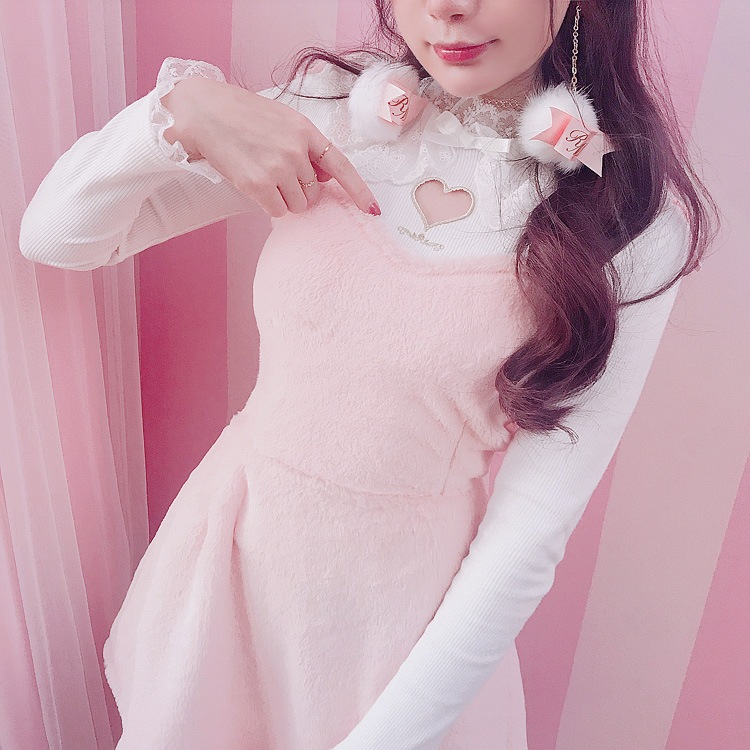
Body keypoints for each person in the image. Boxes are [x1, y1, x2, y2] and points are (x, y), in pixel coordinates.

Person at [18, 1, 717, 748]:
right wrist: (181, 110)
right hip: (225, 578)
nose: (446, 7)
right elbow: (59, 235)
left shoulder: (626, 214)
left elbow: (531, 529)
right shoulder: (339, 111)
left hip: (398, 635)